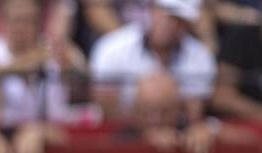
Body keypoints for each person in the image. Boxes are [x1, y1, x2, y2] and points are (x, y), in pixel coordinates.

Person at [89, 0, 218, 120]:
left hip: (172, 136)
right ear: (152, 10)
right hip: (123, 137)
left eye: (179, 18)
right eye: (165, 13)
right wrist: (144, 130)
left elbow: (193, 116)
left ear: (188, 24)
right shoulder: (112, 48)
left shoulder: (200, 57)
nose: (170, 23)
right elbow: (107, 110)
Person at [0, 0, 86, 126]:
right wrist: (30, 62)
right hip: (7, 132)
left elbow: (84, 73)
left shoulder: (57, 48)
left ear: (38, 23)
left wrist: (67, 61)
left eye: (28, 20)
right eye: (16, 20)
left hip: (54, 130)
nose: (21, 27)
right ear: (3, 21)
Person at [119, 70, 260, 153]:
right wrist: (145, 142)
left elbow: (254, 144)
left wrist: (212, 132)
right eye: (146, 111)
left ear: (178, 109)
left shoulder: (189, 127)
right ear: (134, 110)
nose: (156, 119)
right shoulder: (123, 137)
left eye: (165, 111)